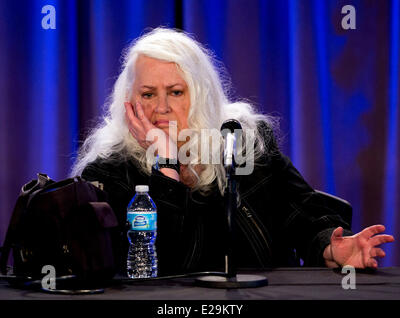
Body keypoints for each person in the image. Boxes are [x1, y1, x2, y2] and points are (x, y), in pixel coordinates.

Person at [71, 27, 394, 276]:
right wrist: (166, 163)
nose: (162, 108)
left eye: (176, 92)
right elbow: (153, 268)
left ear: (201, 95)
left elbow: (304, 212)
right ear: (129, 102)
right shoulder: (108, 171)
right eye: (148, 94)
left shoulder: (246, 144)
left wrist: (330, 246)